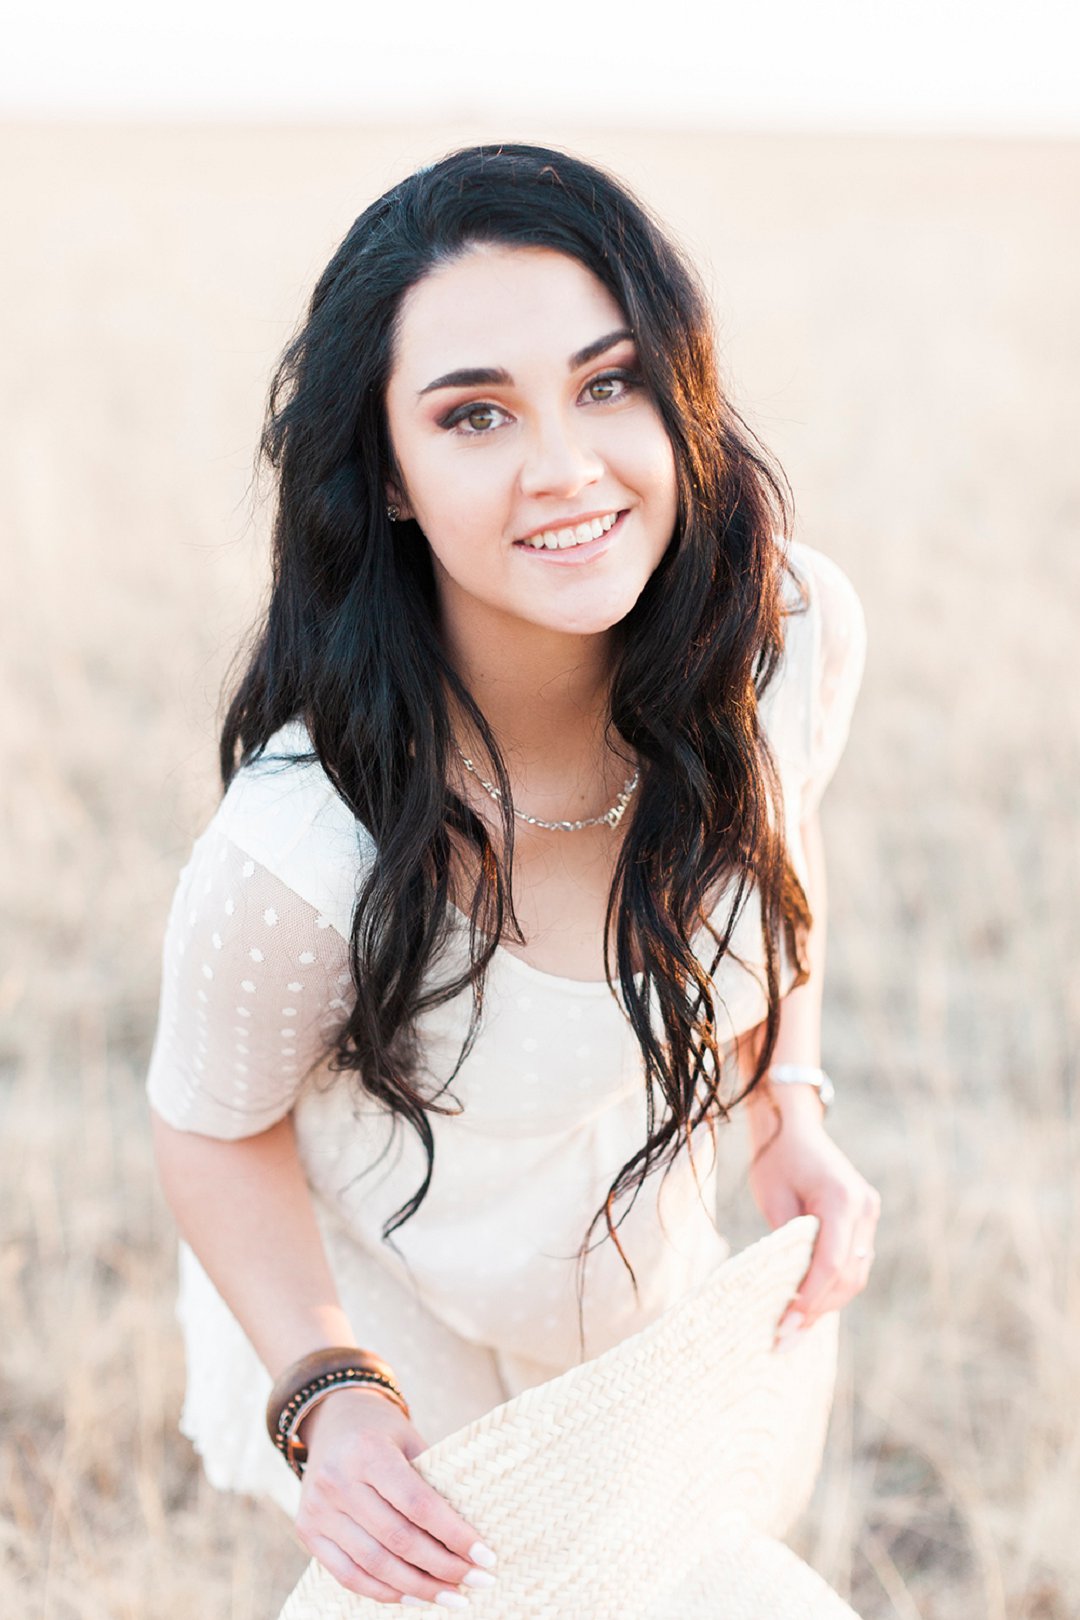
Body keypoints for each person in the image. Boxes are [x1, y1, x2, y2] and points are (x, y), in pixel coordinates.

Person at [146, 142, 878, 1611]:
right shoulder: (298, 860)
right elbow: (209, 1134)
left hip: (637, 1250)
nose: (565, 465)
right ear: (394, 478)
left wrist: (783, 1099)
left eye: (609, 383)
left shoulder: (782, 632)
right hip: (396, 1303)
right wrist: (329, 1391)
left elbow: (770, 855)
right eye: (475, 415)